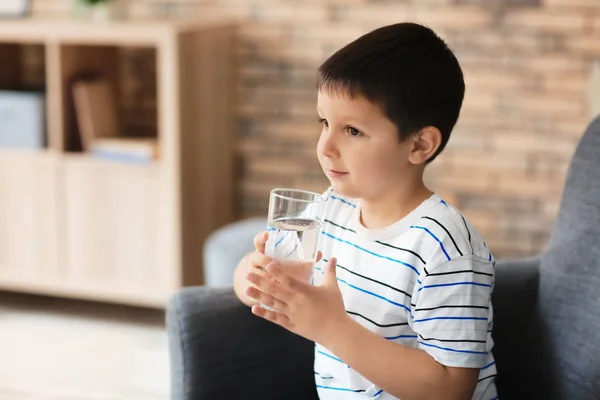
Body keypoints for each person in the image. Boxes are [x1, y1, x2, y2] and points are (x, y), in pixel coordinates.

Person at [233, 22, 497, 400]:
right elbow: (256, 279)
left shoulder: (445, 246)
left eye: (352, 131)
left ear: (420, 145)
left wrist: (329, 326)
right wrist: (256, 276)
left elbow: (451, 388)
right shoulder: (330, 208)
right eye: (325, 122)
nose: (325, 146)